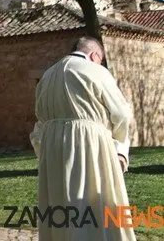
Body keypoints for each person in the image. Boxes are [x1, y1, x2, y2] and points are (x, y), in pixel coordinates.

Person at [31, 37, 135, 241]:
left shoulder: (47, 75)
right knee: (94, 200)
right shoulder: (96, 70)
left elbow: (40, 122)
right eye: (100, 59)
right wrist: (120, 148)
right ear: (95, 56)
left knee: (59, 205)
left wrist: (43, 149)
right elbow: (121, 114)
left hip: (53, 149)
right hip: (90, 144)